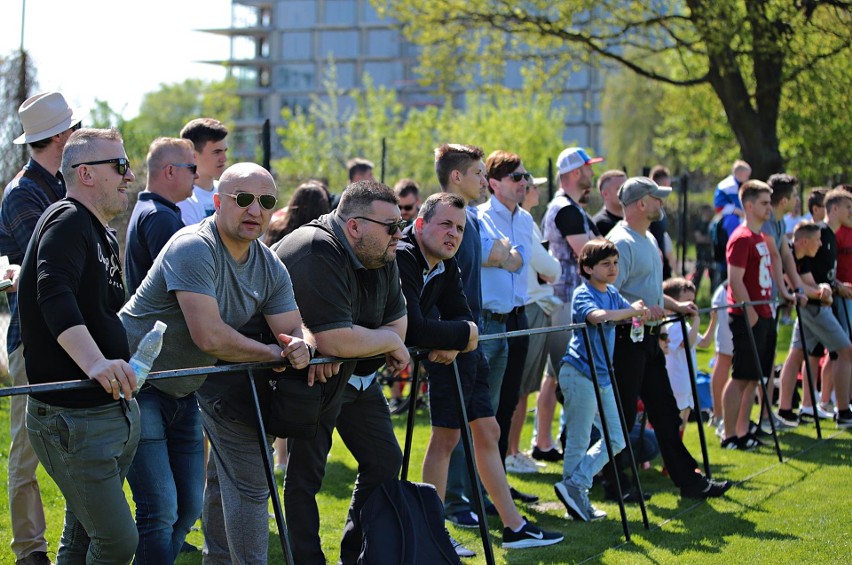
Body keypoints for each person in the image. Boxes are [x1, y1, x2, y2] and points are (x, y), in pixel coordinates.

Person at [119, 163, 313, 564]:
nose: (254, 210)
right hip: (134, 383)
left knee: (187, 508)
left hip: (187, 387)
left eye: (265, 202)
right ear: (219, 202)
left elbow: (293, 328)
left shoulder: (268, 263)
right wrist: (275, 356)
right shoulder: (194, 246)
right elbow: (209, 336)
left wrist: (301, 346)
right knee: (160, 509)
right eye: (243, 199)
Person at [398, 192, 563, 551]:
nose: (453, 234)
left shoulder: (446, 259)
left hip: (460, 353)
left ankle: (514, 527)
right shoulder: (404, 255)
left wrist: (461, 336)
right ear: (421, 224)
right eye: (445, 225)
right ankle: (433, 533)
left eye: (459, 227)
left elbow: (462, 313)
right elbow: (413, 326)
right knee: (446, 439)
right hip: (436, 357)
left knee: (488, 430)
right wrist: (464, 335)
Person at [18, 128, 140, 564]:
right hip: (73, 418)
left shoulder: (101, 233)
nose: (130, 176)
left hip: (108, 411)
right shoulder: (67, 219)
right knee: (119, 542)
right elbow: (53, 294)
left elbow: (106, 313)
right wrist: (97, 364)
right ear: (86, 173)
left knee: (84, 538)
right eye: (121, 165)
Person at [276, 180, 409, 565]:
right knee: (305, 478)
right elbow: (334, 340)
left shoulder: (382, 252)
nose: (399, 235)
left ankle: (355, 556)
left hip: (356, 379)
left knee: (385, 460)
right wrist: (357, 342)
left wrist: (363, 342)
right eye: (390, 227)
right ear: (355, 226)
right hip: (307, 379)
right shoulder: (316, 248)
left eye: (400, 225)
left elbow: (398, 328)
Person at [604, 176, 730, 499]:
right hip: (626, 338)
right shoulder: (620, 241)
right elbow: (608, 295)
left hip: (647, 339)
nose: (662, 203)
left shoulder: (648, 240)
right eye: (656, 198)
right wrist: (638, 311)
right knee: (623, 414)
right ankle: (615, 484)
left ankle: (689, 480)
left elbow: (649, 289)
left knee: (665, 411)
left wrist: (674, 305)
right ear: (640, 203)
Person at [0, 90, 85, 565]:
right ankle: (31, 550)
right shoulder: (24, 193)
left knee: (80, 446)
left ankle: (74, 540)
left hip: (71, 339)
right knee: (27, 453)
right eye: (76, 129)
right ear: (61, 137)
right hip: (35, 344)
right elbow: (52, 264)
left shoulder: (56, 185)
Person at [555, 239, 644, 522]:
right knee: (579, 441)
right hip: (580, 372)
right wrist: (633, 311)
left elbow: (630, 313)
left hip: (602, 376)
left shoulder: (613, 292)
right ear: (587, 267)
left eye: (615, 263)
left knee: (617, 438)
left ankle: (575, 485)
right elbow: (597, 317)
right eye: (606, 264)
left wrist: (647, 312)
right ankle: (576, 498)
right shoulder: (584, 293)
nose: (613, 268)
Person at [478, 150, 534, 474]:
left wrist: (506, 256)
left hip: (519, 316)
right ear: (494, 183)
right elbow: (505, 259)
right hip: (490, 320)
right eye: (516, 177)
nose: (523, 182)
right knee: (489, 406)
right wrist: (505, 256)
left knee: (509, 402)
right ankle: (483, 483)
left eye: (525, 176)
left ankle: (498, 480)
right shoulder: (482, 215)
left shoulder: (525, 219)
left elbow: (519, 260)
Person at [776, 189, 852, 428]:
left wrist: (834, 286)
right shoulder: (820, 235)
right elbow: (800, 272)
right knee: (845, 350)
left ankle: (789, 409)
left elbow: (818, 277)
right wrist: (821, 291)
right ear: (835, 208)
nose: (851, 212)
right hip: (815, 307)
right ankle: (842, 410)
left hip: (815, 303)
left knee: (797, 352)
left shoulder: (828, 236)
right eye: (848, 206)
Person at [541, 147, 605, 393]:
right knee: (570, 379)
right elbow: (592, 255)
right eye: (589, 167)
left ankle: (544, 433)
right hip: (566, 302)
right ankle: (571, 433)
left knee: (556, 378)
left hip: (568, 300)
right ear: (576, 172)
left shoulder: (573, 208)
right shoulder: (565, 209)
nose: (592, 172)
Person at [721, 180, 777, 449]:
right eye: (765, 203)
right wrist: (750, 310)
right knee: (741, 375)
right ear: (749, 205)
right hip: (747, 314)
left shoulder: (760, 237)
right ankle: (729, 435)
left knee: (755, 377)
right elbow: (735, 279)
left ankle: (744, 431)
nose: (769, 208)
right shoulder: (742, 238)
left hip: (764, 312)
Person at [514, 176, 562, 464]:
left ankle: (514, 450)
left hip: (534, 305)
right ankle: (511, 452)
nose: (538, 191)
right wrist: (550, 267)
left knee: (524, 388)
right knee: (520, 389)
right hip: (530, 306)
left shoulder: (527, 221)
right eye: (533, 187)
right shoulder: (524, 222)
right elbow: (549, 267)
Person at [124, 137, 198, 295]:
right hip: (159, 320)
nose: (196, 175)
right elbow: (180, 287)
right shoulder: (159, 216)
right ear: (170, 171)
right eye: (192, 168)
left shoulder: (153, 210)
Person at [662, 278, 715, 431]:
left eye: (693, 300)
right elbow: (687, 343)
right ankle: (675, 450)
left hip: (687, 382)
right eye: (687, 301)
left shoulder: (683, 324)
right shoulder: (673, 325)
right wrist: (697, 320)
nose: (692, 305)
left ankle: (680, 448)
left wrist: (713, 320)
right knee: (677, 421)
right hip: (677, 382)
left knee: (683, 420)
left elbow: (704, 343)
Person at [176, 118, 228, 225]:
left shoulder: (227, 191)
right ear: (193, 155)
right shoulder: (183, 199)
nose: (224, 158)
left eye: (224, 151)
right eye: (217, 152)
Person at [591, 169, 628, 237]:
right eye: (619, 188)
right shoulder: (600, 224)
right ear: (605, 194)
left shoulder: (633, 220)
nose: (626, 191)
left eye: (627, 187)